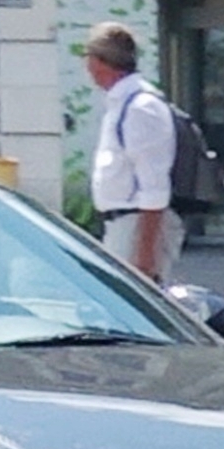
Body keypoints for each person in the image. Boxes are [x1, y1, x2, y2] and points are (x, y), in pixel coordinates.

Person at [83, 22, 183, 283]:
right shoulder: (122, 103)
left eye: (88, 56)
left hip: (135, 225)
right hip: (123, 223)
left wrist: (145, 254)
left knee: (135, 311)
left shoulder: (140, 107)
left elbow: (154, 186)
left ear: (99, 62)